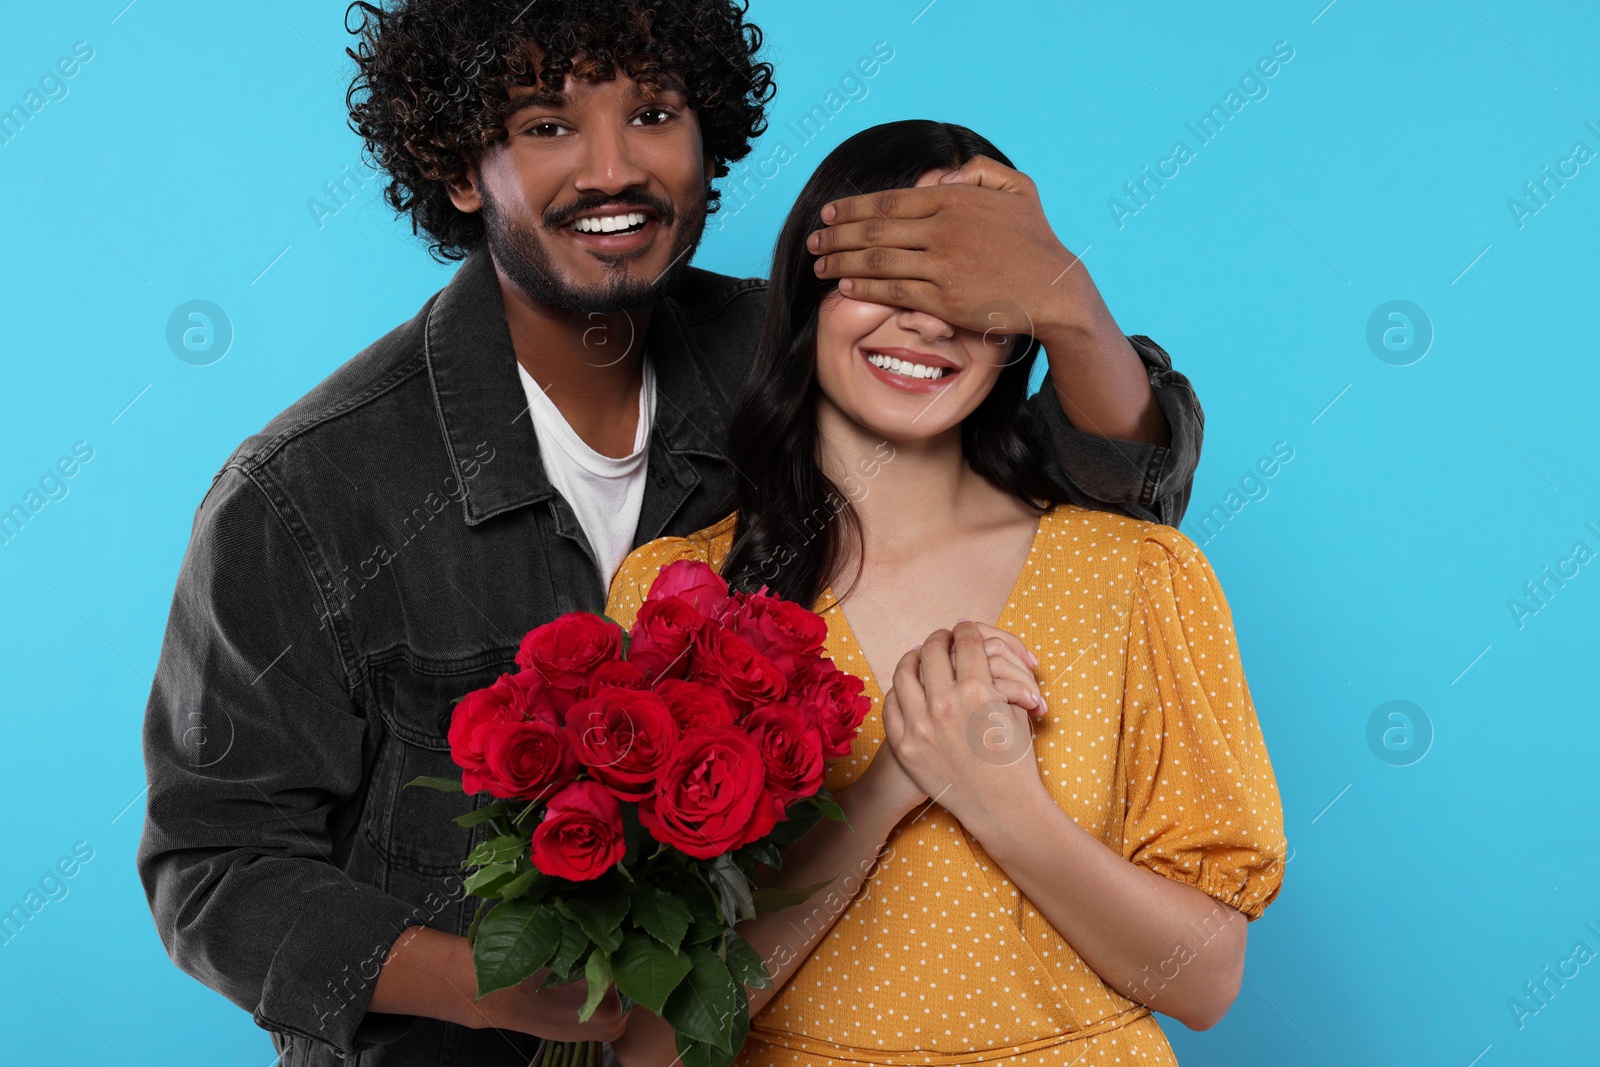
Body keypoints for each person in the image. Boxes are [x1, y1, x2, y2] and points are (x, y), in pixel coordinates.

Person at [135, 5, 1205, 1067]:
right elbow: (215, 865)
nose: (613, 168)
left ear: (707, 141)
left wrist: (1066, 305)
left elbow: (1086, 493)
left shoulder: (792, 353)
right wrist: (501, 985)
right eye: (546, 124)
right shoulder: (307, 493)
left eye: (651, 112)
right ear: (462, 169)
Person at [604, 120, 1285, 1066]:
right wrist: (888, 787)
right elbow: (649, 1046)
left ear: (1017, 330)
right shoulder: (678, 594)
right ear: (808, 294)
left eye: (965, 290)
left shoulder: (1137, 574)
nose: (926, 321)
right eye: (889, 277)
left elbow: (1206, 982)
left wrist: (1005, 803)